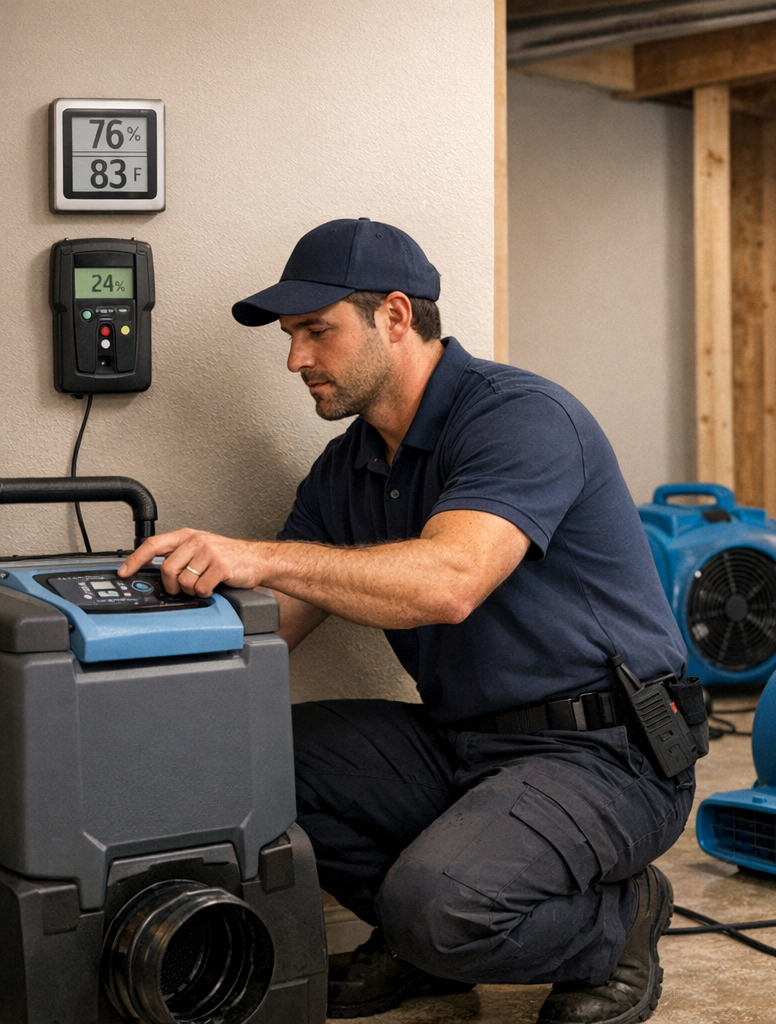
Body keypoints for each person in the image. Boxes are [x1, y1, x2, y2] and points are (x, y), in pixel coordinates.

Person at [118, 218, 701, 1024]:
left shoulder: (520, 417)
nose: (296, 360)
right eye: (290, 337)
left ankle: (613, 921)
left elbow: (450, 581)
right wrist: (114, 662)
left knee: (440, 910)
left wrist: (258, 555)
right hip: (462, 742)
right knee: (252, 761)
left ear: (395, 317)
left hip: (605, 755)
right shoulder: (347, 467)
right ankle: (425, 944)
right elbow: (271, 628)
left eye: (316, 332)